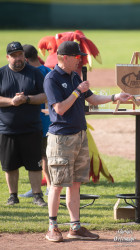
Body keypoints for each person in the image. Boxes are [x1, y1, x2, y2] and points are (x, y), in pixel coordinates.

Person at [44, 41, 131, 242]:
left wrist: (115, 96)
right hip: (61, 139)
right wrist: (77, 91)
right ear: (64, 57)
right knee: (57, 184)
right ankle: (53, 227)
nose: (80, 60)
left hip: (79, 136)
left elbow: (92, 99)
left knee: (75, 184)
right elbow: (59, 109)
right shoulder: (52, 79)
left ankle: (75, 227)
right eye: (77, 57)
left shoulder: (75, 76)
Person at [0, 41, 47, 207]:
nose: (17, 58)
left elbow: (45, 96)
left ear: (24, 56)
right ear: (8, 57)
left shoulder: (34, 73)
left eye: (20, 54)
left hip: (31, 127)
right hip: (7, 129)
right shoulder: (1, 73)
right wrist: (12, 101)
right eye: (13, 56)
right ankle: (13, 195)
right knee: (9, 166)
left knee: (34, 165)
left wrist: (27, 99)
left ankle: (37, 195)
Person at [19, 44, 51, 198]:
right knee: (43, 156)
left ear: (25, 59)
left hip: (37, 121)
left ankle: (46, 188)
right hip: (50, 120)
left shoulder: (29, 74)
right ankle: (40, 187)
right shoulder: (49, 71)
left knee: (41, 157)